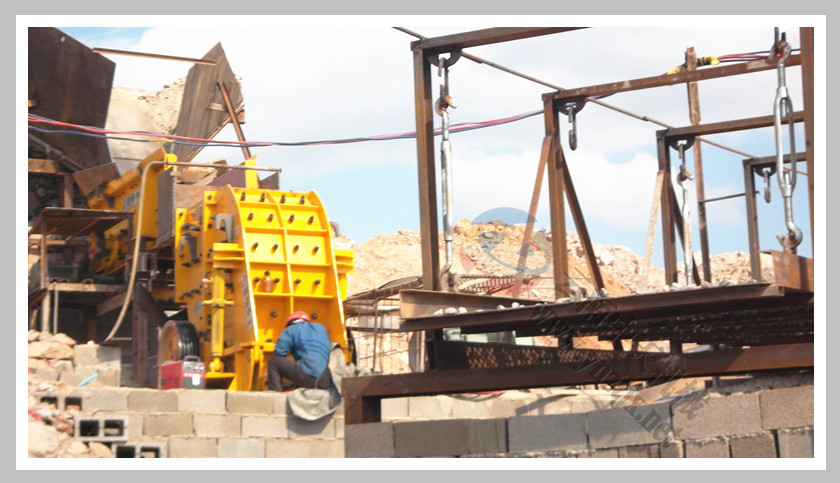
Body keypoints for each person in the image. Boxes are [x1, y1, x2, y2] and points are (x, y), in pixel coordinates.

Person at [268, 311, 333, 392]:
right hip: (327, 381)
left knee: (274, 361)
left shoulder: (290, 329)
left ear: (290, 323)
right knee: (305, 366)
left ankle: (275, 394)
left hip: (310, 377)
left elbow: (280, 352)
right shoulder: (321, 328)